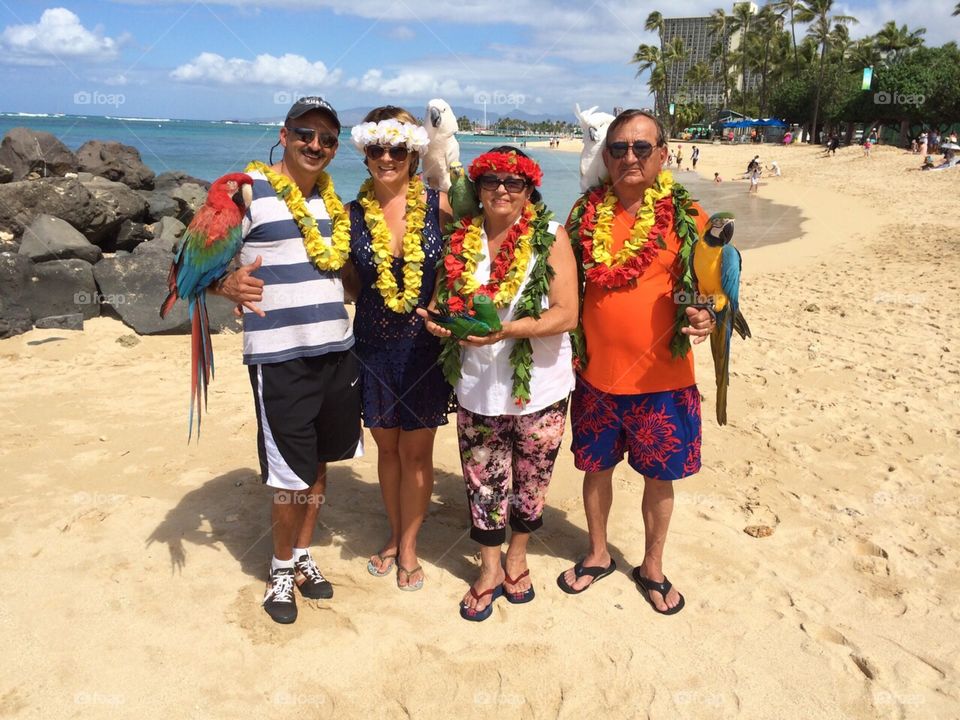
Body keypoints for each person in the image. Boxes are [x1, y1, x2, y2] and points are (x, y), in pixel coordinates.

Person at [212, 97, 362, 624]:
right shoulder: (246, 190)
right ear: (284, 133)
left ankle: (301, 555)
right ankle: (279, 569)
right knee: (288, 477)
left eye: (327, 139)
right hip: (280, 359)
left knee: (319, 466)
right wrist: (223, 281)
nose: (315, 145)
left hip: (337, 352)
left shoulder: (333, 202)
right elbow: (192, 261)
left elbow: (345, 275)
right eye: (305, 133)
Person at [560, 109, 715, 614]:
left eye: (641, 148)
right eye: (619, 148)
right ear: (605, 156)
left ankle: (651, 566)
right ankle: (598, 553)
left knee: (659, 478)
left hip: (663, 382)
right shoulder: (583, 214)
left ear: (663, 155)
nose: (629, 156)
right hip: (595, 378)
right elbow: (558, 284)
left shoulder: (690, 218)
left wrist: (708, 316)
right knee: (596, 472)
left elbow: (715, 292)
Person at [418, 147, 578, 622]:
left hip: (541, 388)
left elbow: (567, 313)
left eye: (515, 182)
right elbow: (438, 303)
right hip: (477, 386)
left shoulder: (550, 237)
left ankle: (517, 557)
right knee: (483, 483)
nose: (502, 190)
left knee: (531, 481)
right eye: (491, 181)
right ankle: (489, 568)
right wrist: (439, 325)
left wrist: (508, 330)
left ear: (530, 190)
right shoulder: (459, 239)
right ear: (478, 189)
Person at [343, 106, 455, 591]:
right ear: (365, 154)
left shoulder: (440, 206)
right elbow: (348, 284)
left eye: (397, 148)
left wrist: (441, 304)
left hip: (423, 348)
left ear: (413, 151)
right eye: (376, 149)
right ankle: (394, 533)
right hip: (371, 343)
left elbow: (466, 263)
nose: (386, 157)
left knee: (417, 452)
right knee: (386, 449)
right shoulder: (350, 214)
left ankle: (408, 547)